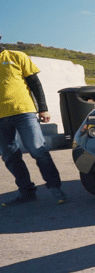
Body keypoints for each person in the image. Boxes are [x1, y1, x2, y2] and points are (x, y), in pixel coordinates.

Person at [0, 36, 67, 206]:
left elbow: (35, 83)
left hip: (24, 112)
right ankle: (26, 192)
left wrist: (43, 108)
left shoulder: (16, 56)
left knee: (38, 150)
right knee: (9, 156)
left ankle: (55, 189)